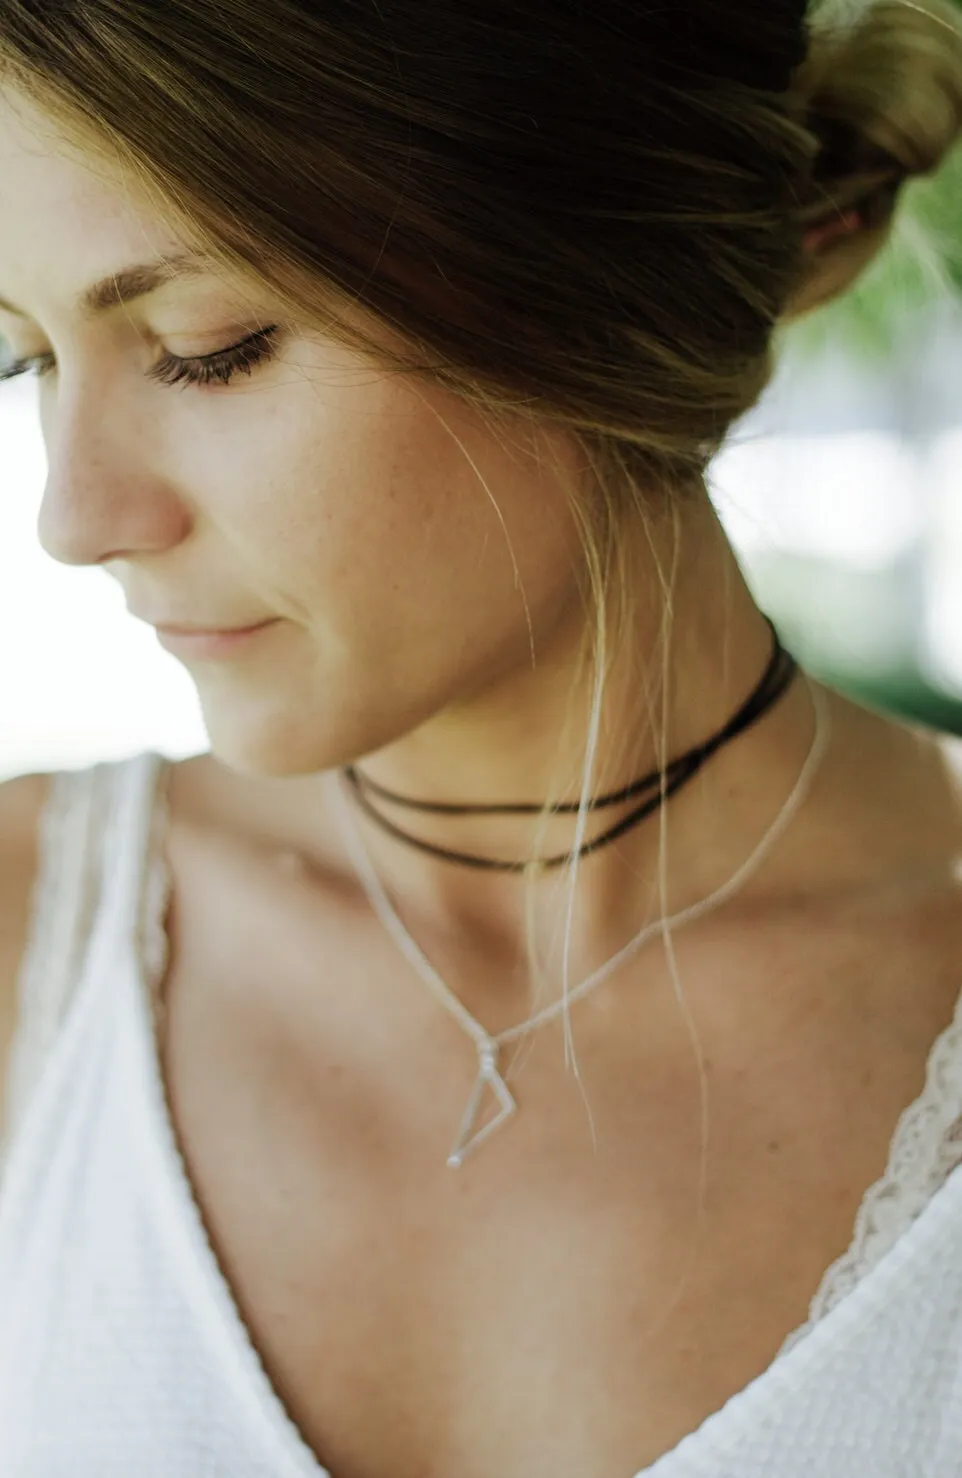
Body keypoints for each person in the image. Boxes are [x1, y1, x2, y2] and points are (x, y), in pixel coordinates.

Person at [0, 0, 961, 1473]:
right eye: (28, 361)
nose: (76, 515)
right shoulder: (23, 947)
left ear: (577, 276)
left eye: (210, 348)